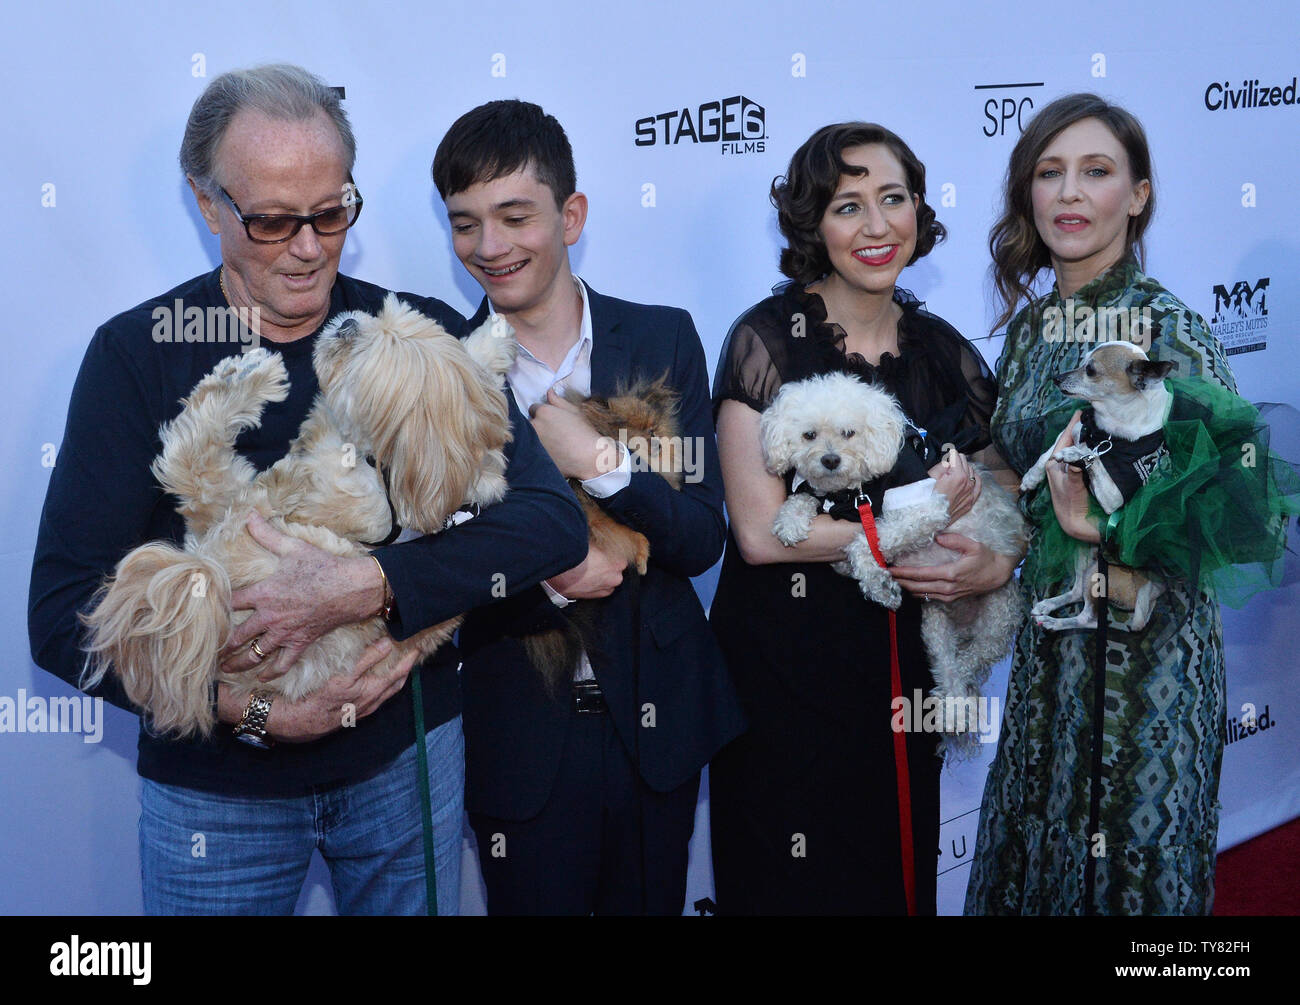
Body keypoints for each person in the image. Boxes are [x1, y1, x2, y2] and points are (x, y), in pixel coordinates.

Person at [27, 65, 587, 916]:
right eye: (272, 219)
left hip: (405, 763)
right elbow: (62, 614)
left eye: (331, 212)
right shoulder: (137, 355)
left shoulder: (412, 333)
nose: (309, 245)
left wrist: (371, 586)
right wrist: (250, 714)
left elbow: (550, 523)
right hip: (216, 794)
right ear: (208, 205)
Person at [431, 99, 746, 915]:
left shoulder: (662, 337)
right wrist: (557, 577)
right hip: (520, 736)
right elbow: (436, 573)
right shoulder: (439, 376)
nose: (489, 247)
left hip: (660, 728)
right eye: (465, 224)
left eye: (514, 216)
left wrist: (602, 464)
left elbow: (701, 536)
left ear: (570, 216)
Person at [708, 122, 1017, 914]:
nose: (877, 227)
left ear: (919, 209)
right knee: (787, 879)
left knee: (893, 872)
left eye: (893, 199)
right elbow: (759, 533)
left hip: (900, 673)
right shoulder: (767, 343)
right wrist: (899, 527)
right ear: (814, 223)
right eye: (848, 206)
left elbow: (1002, 492)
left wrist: (997, 560)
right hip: (784, 676)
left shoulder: (947, 353)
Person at [964, 93, 1254, 915]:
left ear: (1138, 195)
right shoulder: (1028, 333)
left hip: (1147, 668)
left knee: (1128, 889)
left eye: (1096, 172)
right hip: (1050, 657)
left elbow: (1234, 496)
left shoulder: (1166, 331)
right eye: (1049, 173)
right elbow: (1019, 474)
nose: (1069, 194)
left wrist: (1105, 525)